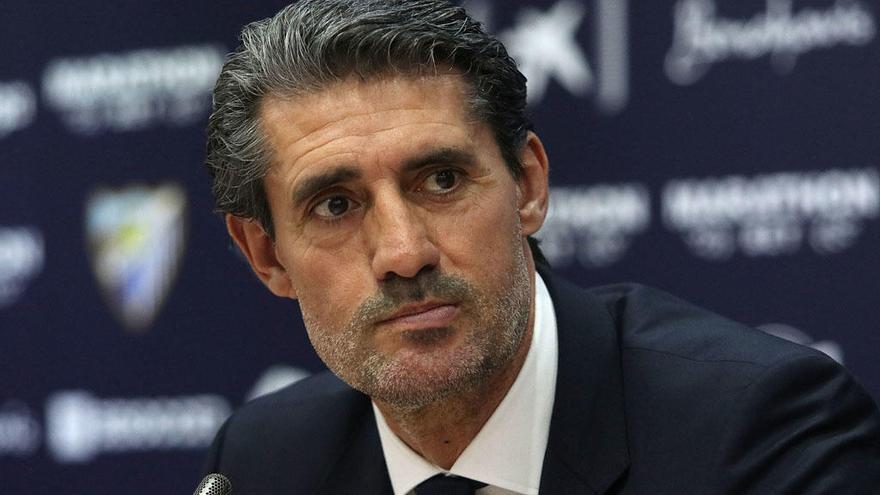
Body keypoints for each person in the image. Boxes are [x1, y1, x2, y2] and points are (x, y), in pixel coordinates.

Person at [200, 1, 880, 493]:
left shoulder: (758, 434)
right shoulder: (263, 462)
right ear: (266, 253)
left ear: (527, 185)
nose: (404, 253)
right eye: (336, 205)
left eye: (440, 179)